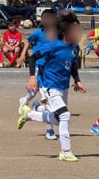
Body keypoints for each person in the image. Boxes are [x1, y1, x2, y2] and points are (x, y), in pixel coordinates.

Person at [17, 11, 86, 162]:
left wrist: (77, 80)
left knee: (57, 118)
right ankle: (65, 151)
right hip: (50, 86)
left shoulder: (74, 48)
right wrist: (32, 78)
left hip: (63, 87)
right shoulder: (53, 46)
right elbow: (34, 58)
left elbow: (72, 64)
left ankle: (29, 114)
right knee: (65, 115)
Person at [18, 8, 58, 140]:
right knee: (42, 95)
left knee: (46, 99)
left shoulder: (57, 34)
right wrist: (23, 54)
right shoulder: (38, 33)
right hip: (39, 65)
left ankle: (34, 106)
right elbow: (28, 41)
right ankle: (49, 129)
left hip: (51, 68)